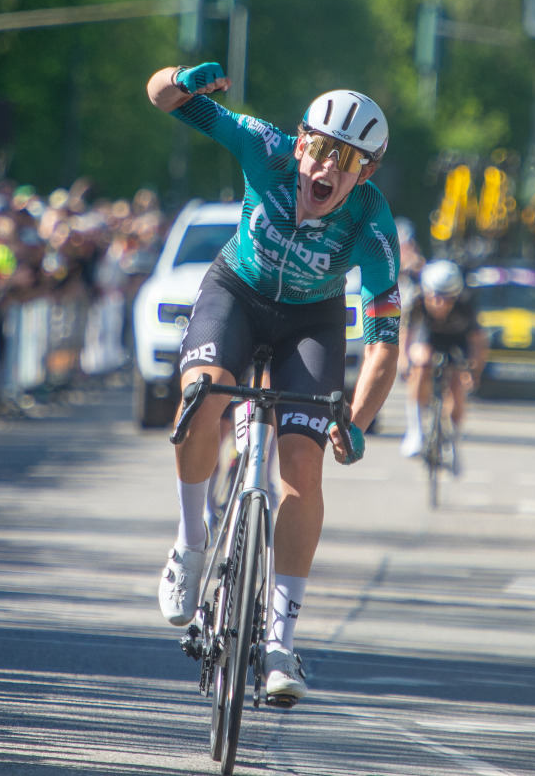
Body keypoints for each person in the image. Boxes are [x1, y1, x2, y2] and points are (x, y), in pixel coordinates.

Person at [146, 62, 401, 705]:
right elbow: (162, 97)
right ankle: (191, 543)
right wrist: (182, 76)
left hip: (311, 321)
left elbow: (384, 344)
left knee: (303, 466)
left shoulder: (371, 224)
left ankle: (281, 641)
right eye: (318, 147)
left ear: (365, 173)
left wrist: (359, 422)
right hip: (237, 292)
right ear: (300, 140)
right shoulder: (266, 149)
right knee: (201, 395)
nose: (325, 167)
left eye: (346, 159)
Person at [398, 260, 485, 471]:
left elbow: (478, 342)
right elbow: (405, 335)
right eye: (435, 298)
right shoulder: (417, 300)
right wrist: (404, 363)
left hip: (457, 343)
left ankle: (453, 441)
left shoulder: (466, 305)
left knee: (457, 387)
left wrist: (473, 371)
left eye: (447, 299)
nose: (440, 304)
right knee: (421, 361)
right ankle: (415, 431)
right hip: (429, 339)